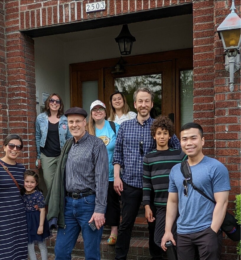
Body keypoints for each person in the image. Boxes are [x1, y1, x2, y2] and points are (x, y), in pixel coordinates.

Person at [113, 87, 180, 260]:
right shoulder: (125, 127)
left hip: (155, 187)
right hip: (130, 183)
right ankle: (120, 257)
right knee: (126, 224)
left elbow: (178, 148)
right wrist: (117, 177)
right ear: (135, 104)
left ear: (151, 104)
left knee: (154, 225)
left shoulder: (160, 127)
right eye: (140, 101)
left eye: (147, 101)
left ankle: (156, 257)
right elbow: (118, 153)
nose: (143, 104)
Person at [161, 122, 231, 260]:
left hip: (207, 230)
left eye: (193, 138)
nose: (189, 143)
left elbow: (222, 202)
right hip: (182, 233)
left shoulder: (216, 167)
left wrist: (212, 231)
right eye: (184, 139)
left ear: (202, 140)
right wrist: (168, 231)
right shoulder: (175, 170)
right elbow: (172, 201)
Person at [46, 107, 109, 260]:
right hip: (68, 206)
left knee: (91, 254)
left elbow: (102, 179)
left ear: (85, 123)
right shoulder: (67, 145)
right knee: (60, 252)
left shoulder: (97, 145)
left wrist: (100, 209)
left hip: (89, 205)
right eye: (70, 122)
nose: (74, 125)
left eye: (77, 121)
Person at [143, 116, 187, 249]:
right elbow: (146, 183)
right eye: (159, 133)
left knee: (180, 238)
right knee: (159, 239)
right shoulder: (149, 157)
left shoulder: (179, 155)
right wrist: (146, 206)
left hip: (180, 204)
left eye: (165, 133)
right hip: (160, 205)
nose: (162, 136)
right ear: (154, 136)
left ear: (170, 136)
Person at [0, 134, 28, 259]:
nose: (15, 149)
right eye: (11, 145)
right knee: (4, 252)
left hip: (19, 217)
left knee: (20, 252)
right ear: (4, 147)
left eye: (18, 147)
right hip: (1, 218)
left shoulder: (21, 168)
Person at [88, 100, 120, 245]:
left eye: (101, 108)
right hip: (92, 176)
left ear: (106, 112)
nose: (98, 111)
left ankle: (114, 231)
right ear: (91, 113)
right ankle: (95, 229)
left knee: (112, 202)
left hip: (112, 173)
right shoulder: (88, 129)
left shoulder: (114, 127)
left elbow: (121, 150)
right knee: (94, 202)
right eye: (95, 109)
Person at [35, 93, 71, 196]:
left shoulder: (65, 119)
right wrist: (39, 157)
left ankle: (61, 209)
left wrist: (69, 155)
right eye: (52, 100)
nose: (54, 103)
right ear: (48, 103)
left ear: (60, 104)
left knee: (62, 184)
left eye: (57, 101)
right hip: (46, 156)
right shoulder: (40, 118)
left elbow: (69, 139)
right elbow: (37, 137)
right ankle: (53, 210)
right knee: (50, 185)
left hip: (62, 155)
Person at [22, 170, 50, 260]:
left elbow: (42, 210)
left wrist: (41, 226)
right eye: (27, 181)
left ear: (36, 183)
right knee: (29, 245)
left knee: (41, 244)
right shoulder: (21, 194)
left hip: (37, 221)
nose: (29, 184)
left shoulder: (38, 195)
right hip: (26, 221)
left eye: (32, 182)